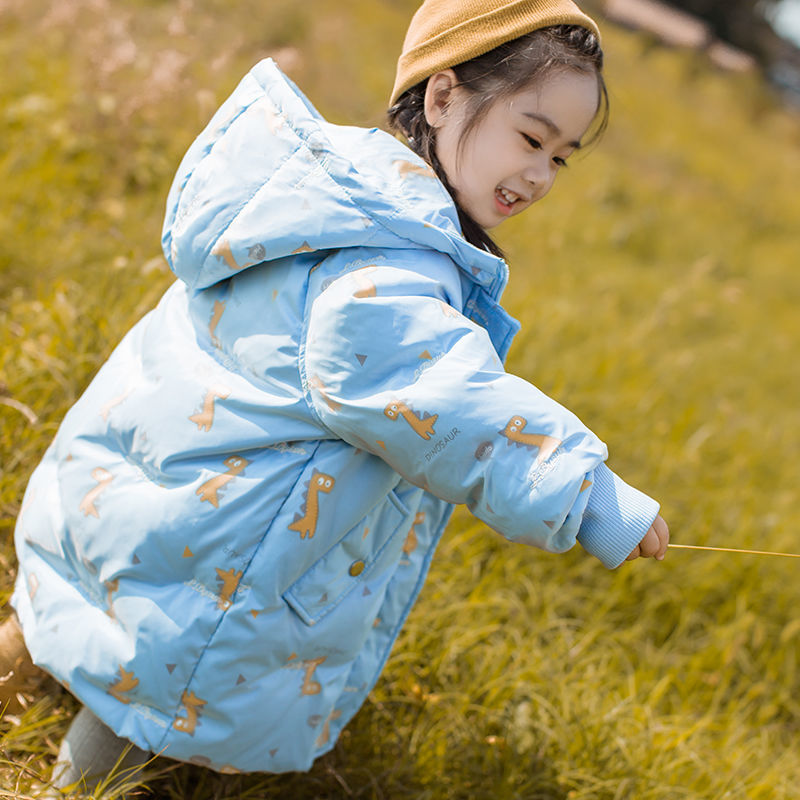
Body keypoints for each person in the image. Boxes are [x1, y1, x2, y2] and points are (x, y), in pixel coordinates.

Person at [3, 0, 669, 791]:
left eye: (560, 158)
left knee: (78, 612)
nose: (537, 174)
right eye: (529, 137)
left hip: (135, 489)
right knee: (142, 685)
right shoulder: (394, 267)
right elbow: (445, 397)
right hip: (210, 549)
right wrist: (584, 491)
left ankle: (19, 672)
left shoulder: (331, 200)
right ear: (443, 96)